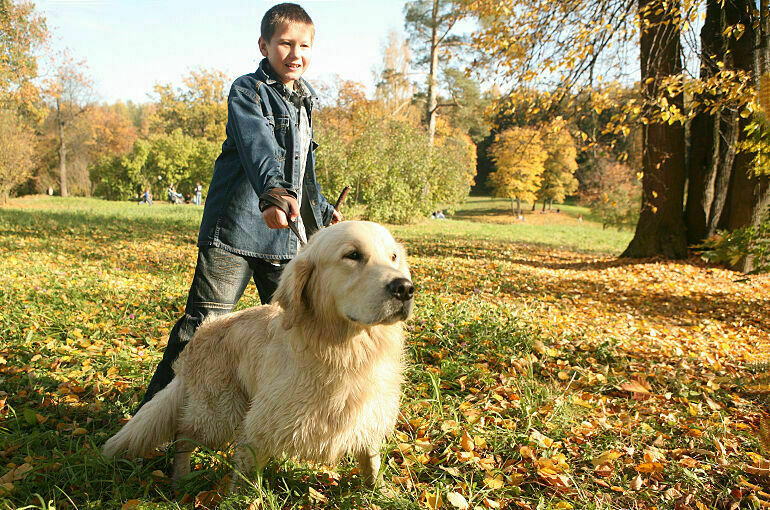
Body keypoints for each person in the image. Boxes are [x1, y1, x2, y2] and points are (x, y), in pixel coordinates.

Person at [137, 3, 341, 408]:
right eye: (284, 43)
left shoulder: (305, 101)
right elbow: (259, 148)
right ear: (264, 45)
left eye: (304, 45)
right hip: (234, 233)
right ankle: (148, 422)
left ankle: (281, 413)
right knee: (201, 329)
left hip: (285, 239)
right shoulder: (248, 90)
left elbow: (302, 171)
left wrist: (320, 212)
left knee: (294, 326)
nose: (295, 53)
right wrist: (273, 195)